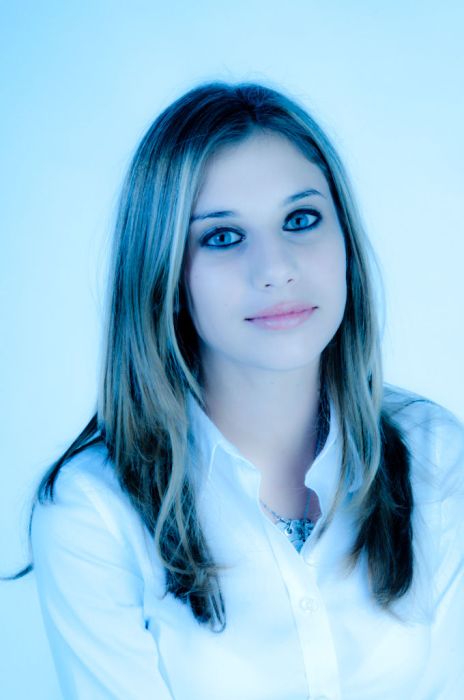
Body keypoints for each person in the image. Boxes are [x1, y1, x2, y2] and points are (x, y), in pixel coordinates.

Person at [6, 81, 464, 699]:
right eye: (222, 236)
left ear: (346, 245)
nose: (275, 269)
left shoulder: (433, 451)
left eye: (300, 220)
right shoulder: (93, 513)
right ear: (165, 276)